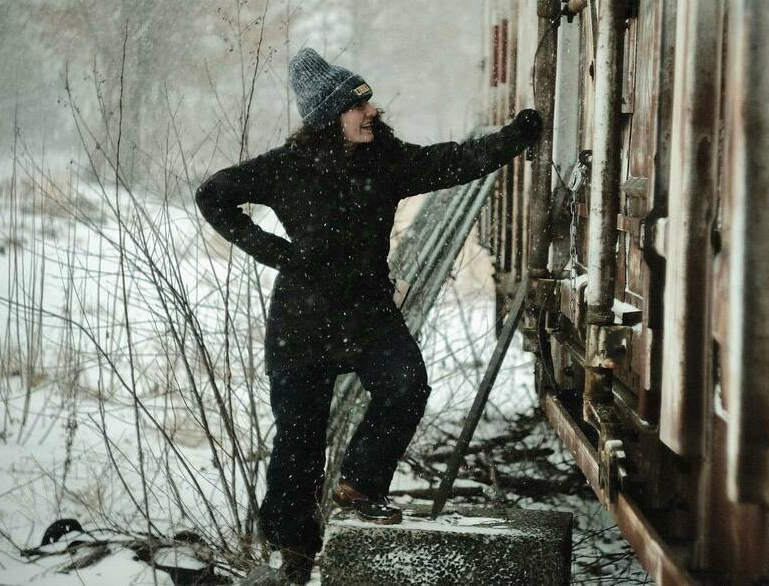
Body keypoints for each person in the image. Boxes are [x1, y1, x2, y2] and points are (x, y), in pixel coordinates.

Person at [194, 47, 541, 584]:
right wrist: (276, 252)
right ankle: (295, 555)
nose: (371, 111)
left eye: (369, 102)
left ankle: (360, 485)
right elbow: (213, 195)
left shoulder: (385, 162)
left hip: (367, 313)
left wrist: (516, 137)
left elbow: (452, 161)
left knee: (406, 386)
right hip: (303, 323)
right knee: (300, 443)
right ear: (329, 118)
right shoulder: (286, 168)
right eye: (358, 106)